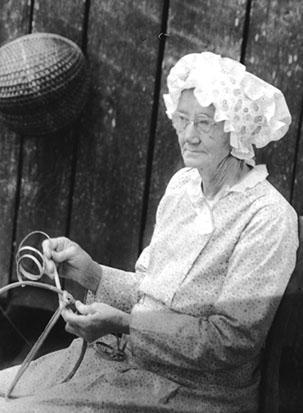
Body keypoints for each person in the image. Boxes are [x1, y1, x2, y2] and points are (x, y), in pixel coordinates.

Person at [0, 51, 298, 412]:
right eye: (182, 119)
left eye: (203, 122)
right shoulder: (183, 187)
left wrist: (126, 325)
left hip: (188, 392)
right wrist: (91, 272)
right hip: (119, 360)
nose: (187, 135)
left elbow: (231, 340)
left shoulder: (267, 217)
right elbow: (149, 291)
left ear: (235, 128)